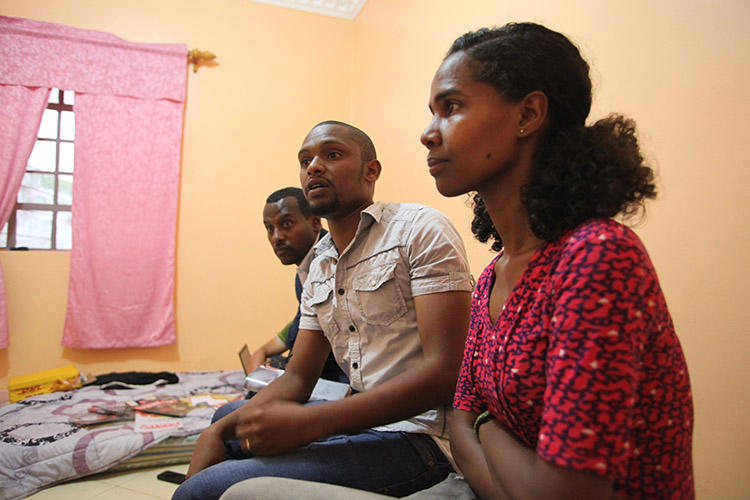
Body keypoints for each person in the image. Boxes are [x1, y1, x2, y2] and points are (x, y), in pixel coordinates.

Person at [418, 23, 694, 499]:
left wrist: (488, 426)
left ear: (528, 114)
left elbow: (552, 485)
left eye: (452, 107)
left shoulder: (598, 256)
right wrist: (485, 432)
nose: (428, 133)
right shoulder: (490, 278)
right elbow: (458, 424)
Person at [173, 121, 474, 500]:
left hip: (423, 439)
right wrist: (217, 432)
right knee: (225, 432)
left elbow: (447, 372)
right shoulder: (321, 264)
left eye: (332, 155)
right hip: (364, 427)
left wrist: (310, 423)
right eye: (304, 160)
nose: (313, 167)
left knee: (203, 491)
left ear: (371, 171)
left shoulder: (418, 230)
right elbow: (298, 378)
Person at [251, 187, 344, 382]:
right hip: (319, 373)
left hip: (340, 380)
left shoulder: (330, 264)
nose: (276, 237)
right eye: (270, 228)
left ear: (315, 222)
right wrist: (266, 350)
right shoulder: (305, 268)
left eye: (286, 224)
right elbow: (303, 319)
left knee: (229, 412)